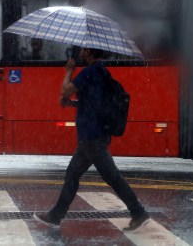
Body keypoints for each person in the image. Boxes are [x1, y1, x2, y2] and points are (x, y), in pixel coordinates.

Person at [33, 47, 150, 231]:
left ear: (89, 53)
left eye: (83, 49)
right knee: (73, 173)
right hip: (93, 135)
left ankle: (138, 212)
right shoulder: (101, 71)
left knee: (112, 177)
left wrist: (69, 71)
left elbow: (65, 90)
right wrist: (72, 103)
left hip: (92, 137)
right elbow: (93, 103)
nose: (80, 51)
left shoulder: (90, 71)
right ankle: (55, 215)